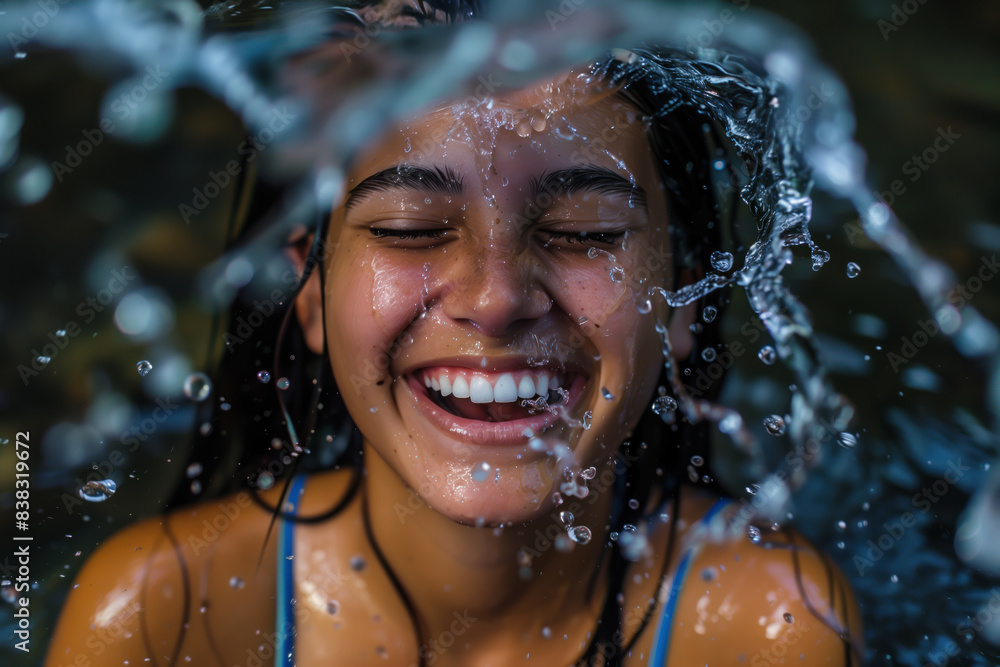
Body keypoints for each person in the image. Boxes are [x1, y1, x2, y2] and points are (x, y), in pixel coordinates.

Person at [46, 5, 864, 666]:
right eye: (410, 228)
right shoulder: (164, 614)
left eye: (584, 230)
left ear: (684, 297)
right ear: (310, 290)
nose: (496, 298)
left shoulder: (767, 626)